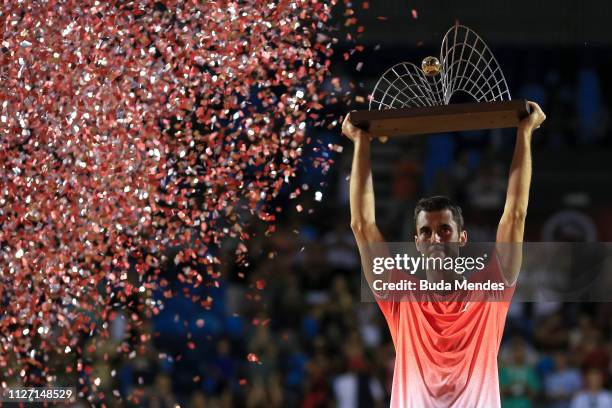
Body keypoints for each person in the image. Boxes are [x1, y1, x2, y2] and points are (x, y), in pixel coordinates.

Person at [342, 101, 546, 407]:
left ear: (462, 238)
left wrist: (524, 132)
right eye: (426, 232)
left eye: (444, 230)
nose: (435, 237)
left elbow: (515, 215)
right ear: (418, 243)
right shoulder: (401, 295)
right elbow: (363, 225)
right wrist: (361, 143)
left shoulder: (490, 289)